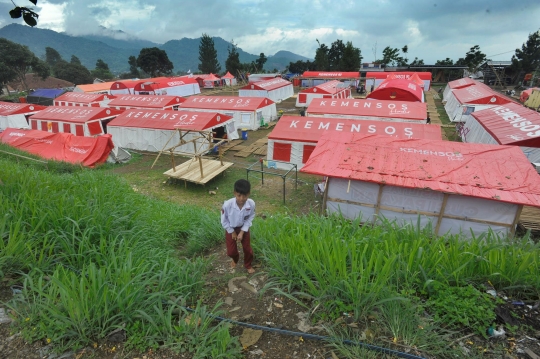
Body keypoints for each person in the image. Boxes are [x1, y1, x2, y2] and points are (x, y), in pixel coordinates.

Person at [221, 179, 256, 274]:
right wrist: (232, 232)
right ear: (234, 193)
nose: (241, 199)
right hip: (230, 228)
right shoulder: (227, 205)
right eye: (239, 195)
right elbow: (224, 221)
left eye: (244, 196)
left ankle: (248, 265)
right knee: (231, 252)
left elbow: (250, 217)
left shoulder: (251, 204)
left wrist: (242, 231)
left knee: (247, 249)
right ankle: (235, 259)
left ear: (248, 194)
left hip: (243, 228)